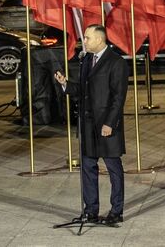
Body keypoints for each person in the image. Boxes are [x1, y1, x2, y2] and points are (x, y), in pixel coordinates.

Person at [54, 25, 128, 225]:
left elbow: (118, 97)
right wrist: (65, 84)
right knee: (87, 167)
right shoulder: (87, 60)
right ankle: (91, 210)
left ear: (99, 39)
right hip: (87, 125)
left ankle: (116, 210)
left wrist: (110, 123)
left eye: (87, 38)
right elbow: (82, 89)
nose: (84, 41)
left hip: (106, 125)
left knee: (113, 167)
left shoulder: (116, 62)